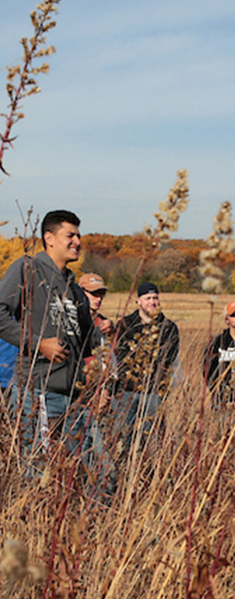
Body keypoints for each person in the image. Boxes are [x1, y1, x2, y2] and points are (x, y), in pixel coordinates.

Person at [0, 210, 111, 490]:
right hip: (37, 392)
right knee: (36, 477)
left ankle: (95, 530)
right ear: (49, 238)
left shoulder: (73, 287)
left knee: (102, 470)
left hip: (74, 396)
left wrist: (103, 381)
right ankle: (31, 530)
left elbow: (90, 339)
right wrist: (38, 344)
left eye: (78, 235)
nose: (77, 241)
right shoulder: (28, 269)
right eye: (69, 235)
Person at [112, 281, 180, 449]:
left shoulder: (168, 327)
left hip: (153, 393)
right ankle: (123, 470)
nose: (152, 302)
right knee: (122, 439)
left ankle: (147, 472)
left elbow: (167, 358)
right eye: (148, 298)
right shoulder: (125, 325)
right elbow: (119, 356)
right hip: (126, 392)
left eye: (155, 298)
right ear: (138, 301)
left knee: (150, 441)